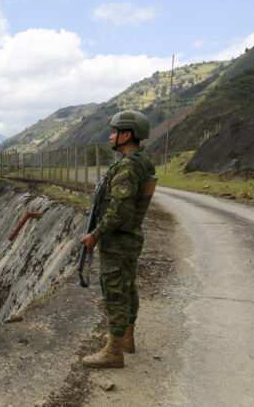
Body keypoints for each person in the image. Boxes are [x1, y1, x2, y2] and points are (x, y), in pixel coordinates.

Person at [79, 110, 157, 368]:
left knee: (115, 291)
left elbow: (119, 210)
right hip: (129, 237)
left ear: (126, 135)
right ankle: (126, 338)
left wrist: (95, 235)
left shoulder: (128, 166)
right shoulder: (139, 161)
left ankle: (114, 351)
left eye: (114, 132)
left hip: (118, 239)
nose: (110, 136)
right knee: (127, 286)